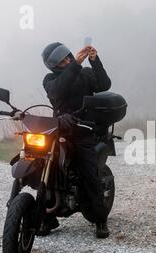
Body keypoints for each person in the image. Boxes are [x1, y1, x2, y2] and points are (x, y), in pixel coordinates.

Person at [40, 42, 112, 239]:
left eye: (68, 57)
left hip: (82, 130)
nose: (67, 61)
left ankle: (99, 219)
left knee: (90, 173)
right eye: (62, 61)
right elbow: (57, 94)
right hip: (59, 129)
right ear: (53, 66)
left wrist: (95, 61)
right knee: (43, 167)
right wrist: (75, 66)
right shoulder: (50, 80)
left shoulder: (85, 73)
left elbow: (105, 84)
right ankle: (46, 218)